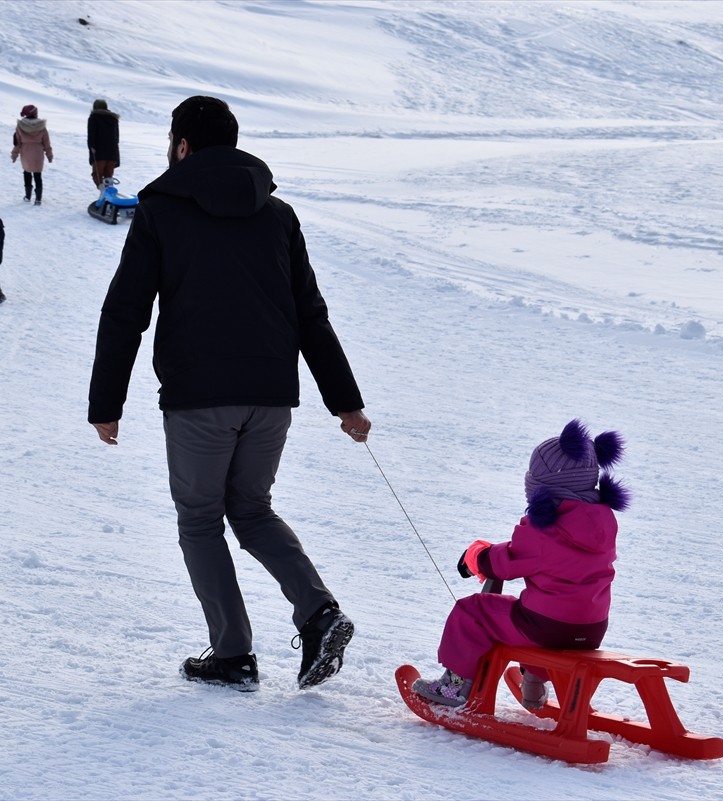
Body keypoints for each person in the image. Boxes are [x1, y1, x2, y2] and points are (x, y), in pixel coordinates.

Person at [88, 95, 371, 693]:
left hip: (198, 396)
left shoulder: (161, 210)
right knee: (251, 509)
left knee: (199, 519)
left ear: (183, 146)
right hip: (271, 395)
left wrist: (105, 403)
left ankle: (232, 654)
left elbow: (125, 313)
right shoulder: (277, 213)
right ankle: (319, 614)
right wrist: (345, 400)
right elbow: (310, 316)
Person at [411, 419, 630, 709]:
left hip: (546, 628)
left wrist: (477, 555)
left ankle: (453, 687)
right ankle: (534, 688)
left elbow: (507, 563)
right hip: (591, 629)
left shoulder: (545, 528)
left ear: (542, 488)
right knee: (529, 609)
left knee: (473, 611)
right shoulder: (603, 525)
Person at [11, 104, 53, 205]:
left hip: (26, 154)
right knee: (38, 175)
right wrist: (49, 155)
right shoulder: (42, 127)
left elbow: (18, 143)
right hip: (38, 154)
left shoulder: (20, 127)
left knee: (27, 173)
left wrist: (14, 154)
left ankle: (28, 196)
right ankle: (38, 199)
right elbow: (46, 143)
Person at [87, 98, 120, 188]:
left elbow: (91, 135)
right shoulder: (113, 119)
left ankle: (103, 193)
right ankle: (109, 194)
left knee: (97, 175)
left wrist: (92, 147)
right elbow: (117, 137)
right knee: (108, 175)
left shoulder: (94, 118)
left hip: (99, 152)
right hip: (112, 152)